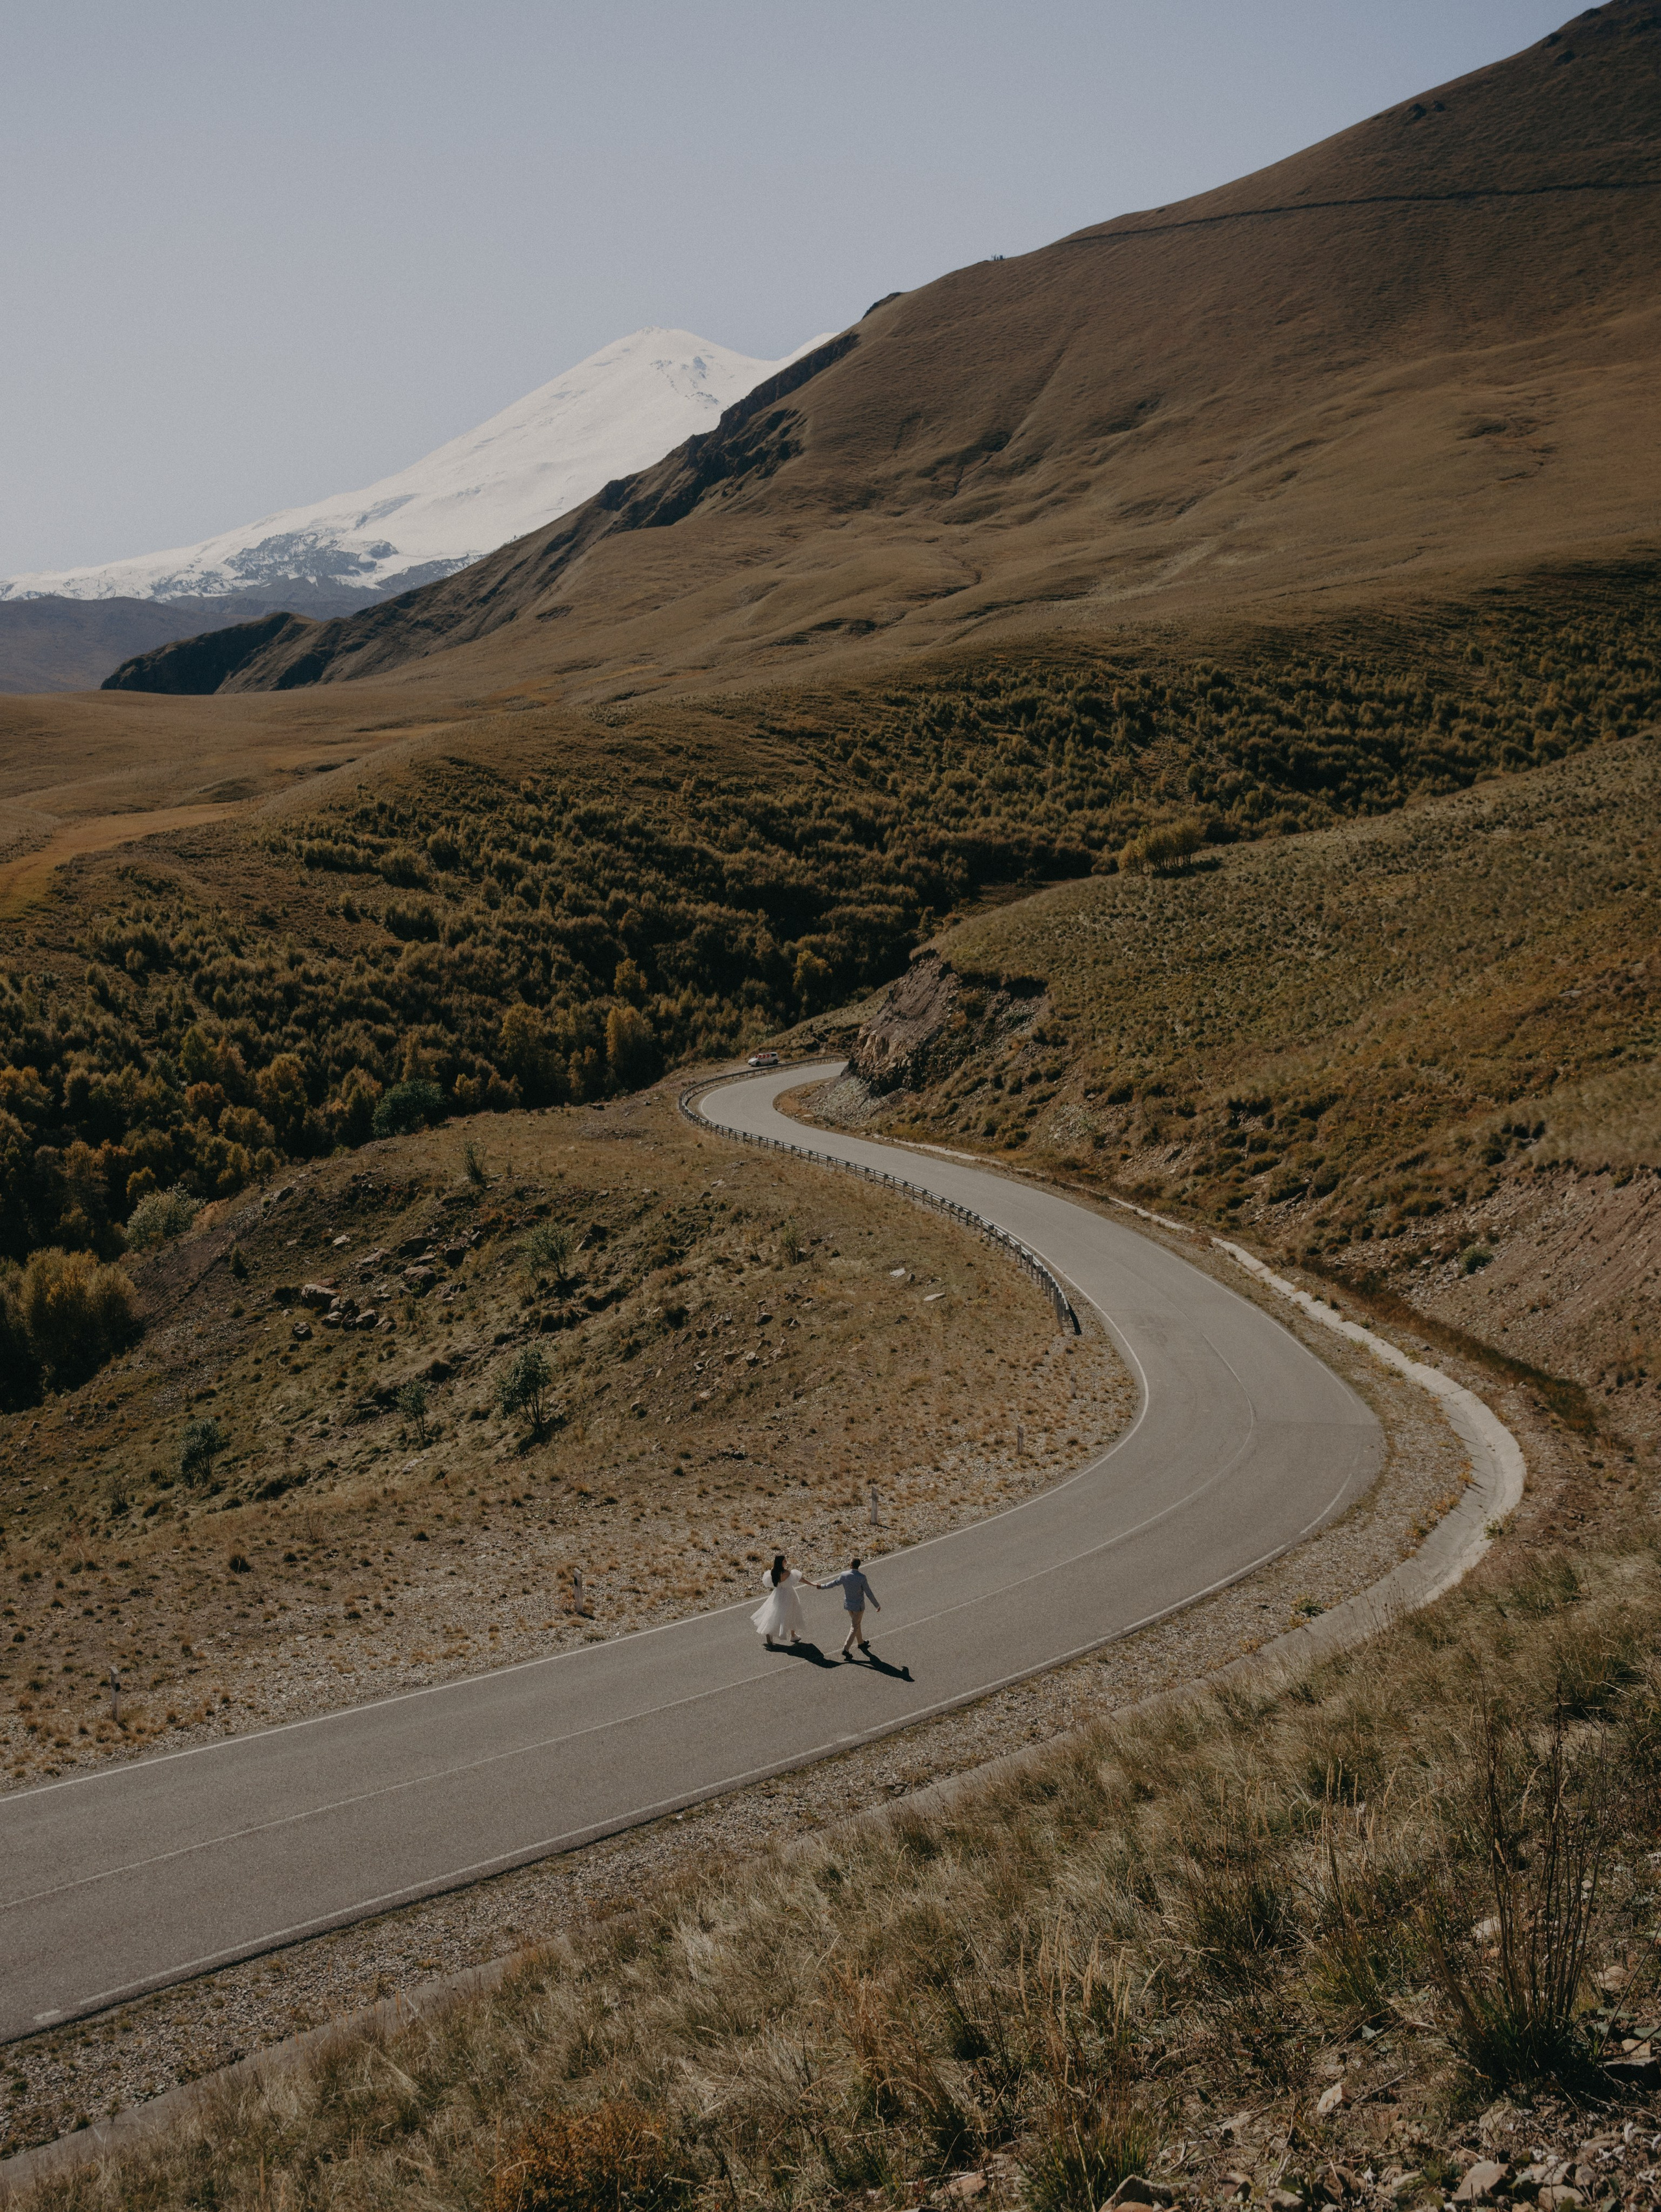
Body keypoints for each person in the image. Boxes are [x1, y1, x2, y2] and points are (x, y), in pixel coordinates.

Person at [818, 1556, 880, 1658]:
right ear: (858, 1566)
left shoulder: (844, 1575)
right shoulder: (862, 1578)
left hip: (849, 1605)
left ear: (851, 1565)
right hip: (858, 1607)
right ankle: (846, 1649)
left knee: (856, 1624)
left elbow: (833, 1583)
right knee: (854, 1627)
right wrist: (877, 1605)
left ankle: (861, 1643)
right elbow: (869, 1593)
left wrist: (821, 1586)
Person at [751, 1552, 806, 1648]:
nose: (786, 1562)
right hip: (789, 1595)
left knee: (775, 1614)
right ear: (781, 1562)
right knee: (793, 1613)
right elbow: (800, 1579)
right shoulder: (788, 1573)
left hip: (777, 1594)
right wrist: (813, 1584)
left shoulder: (773, 1572)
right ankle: (793, 1635)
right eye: (785, 1560)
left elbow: (769, 1582)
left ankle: (770, 1631)